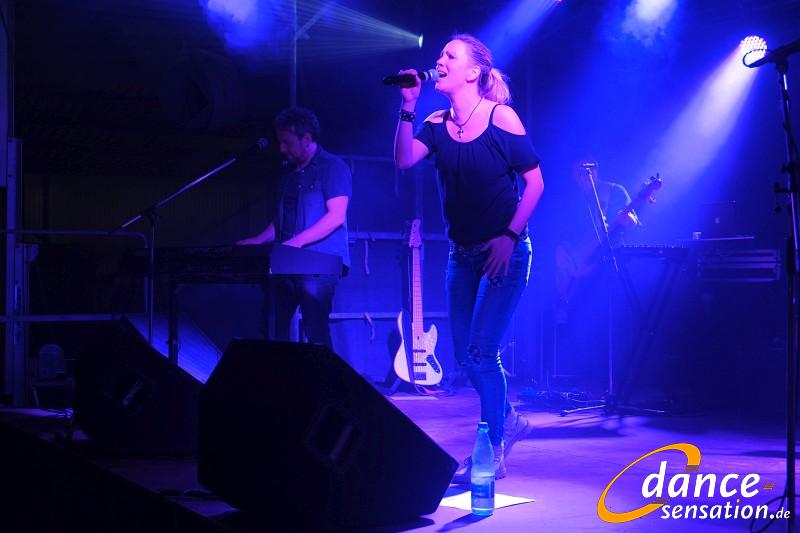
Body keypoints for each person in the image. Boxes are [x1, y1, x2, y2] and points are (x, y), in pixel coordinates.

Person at [393, 33, 544, 482]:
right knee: (464, 355)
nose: (439, 61)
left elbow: (535, 183)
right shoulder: (436, 123)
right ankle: (509, 419)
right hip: (461, 256)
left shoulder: (501, 117)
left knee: (482, 354)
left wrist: (509, 236)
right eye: (440, 55)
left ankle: (491, 450)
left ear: (473, 71)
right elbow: (404, 160)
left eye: (449, 56)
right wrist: (407, 105)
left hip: (505, 253)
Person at [238, 107, 351, 349]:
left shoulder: (332, 167)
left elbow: (336, 216)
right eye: (280, 142)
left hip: (319, 263)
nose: (282, 149)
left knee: (315, 331)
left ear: (307, 139)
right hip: (286, 263)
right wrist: (258, 240)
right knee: (271, 329)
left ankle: (321, 374)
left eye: (287, 143)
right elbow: (279, 222)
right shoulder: (288, 175)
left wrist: (294, 244)